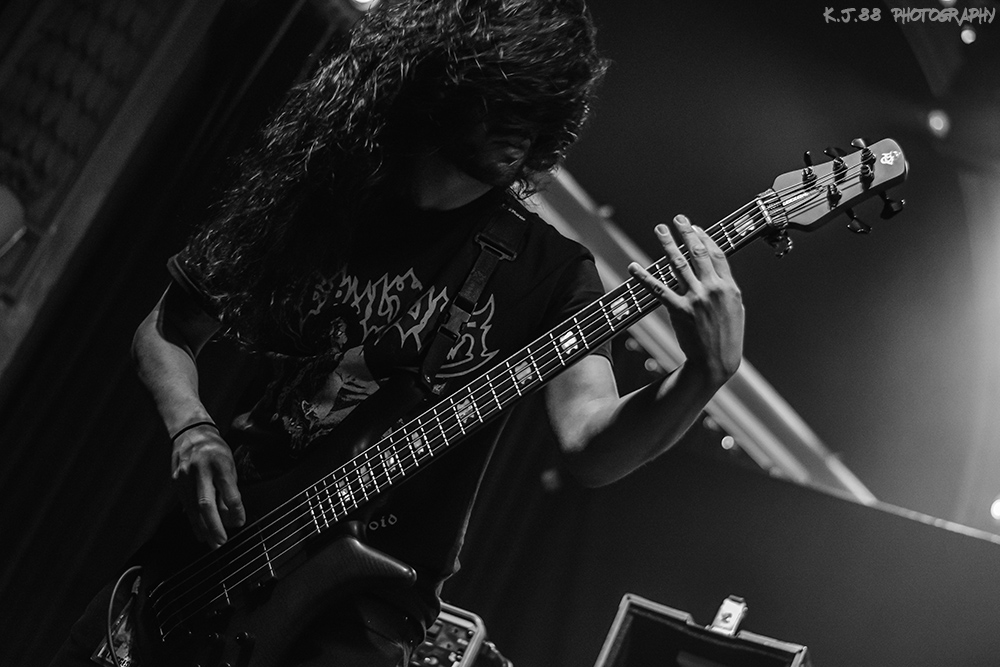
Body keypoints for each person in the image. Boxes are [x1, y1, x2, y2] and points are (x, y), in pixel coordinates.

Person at [50, 0, 743, 665]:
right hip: (205, 562)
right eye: (511, 97)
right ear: (446, 78)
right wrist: (191, 428)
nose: (523, 133)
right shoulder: (323, 188)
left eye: (542, 112)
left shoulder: (549, 270)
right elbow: (166, 328)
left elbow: (591, 443)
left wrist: (701, 376)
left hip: (360, 609)